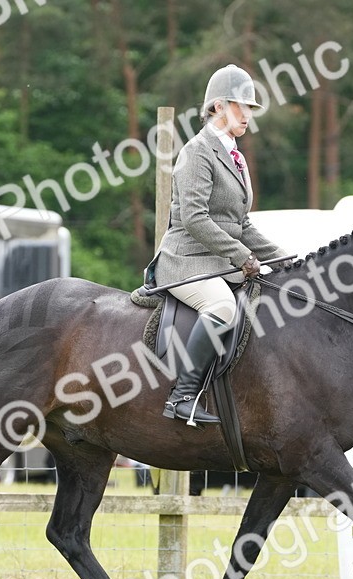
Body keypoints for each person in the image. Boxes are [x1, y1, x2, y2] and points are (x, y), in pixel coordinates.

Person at [152, 64, 288, 425]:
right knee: (224, 307)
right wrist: (242, 255)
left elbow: (241, 224)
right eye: (239, 106)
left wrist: (287, 258)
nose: (247, 114)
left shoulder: (235, 158)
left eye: (250, 108)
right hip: (186, 259)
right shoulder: (197, 152)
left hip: (218, 261)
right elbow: (195, 219)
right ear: (217, 107)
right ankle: (182, 395)